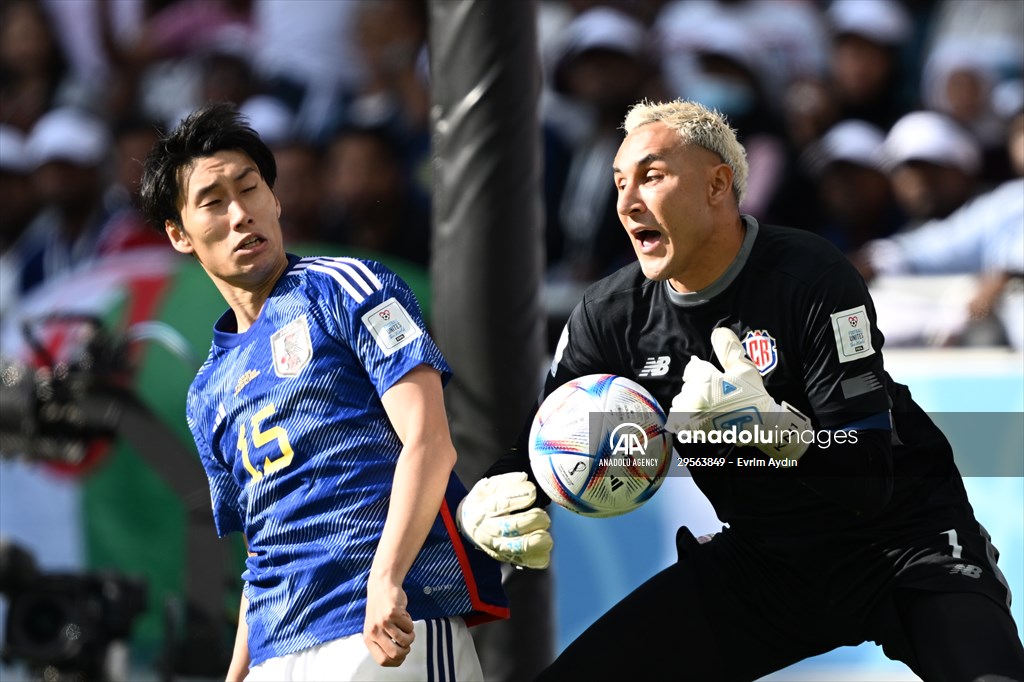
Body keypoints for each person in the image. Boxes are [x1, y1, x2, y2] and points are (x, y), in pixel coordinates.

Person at [456, 99, 1024, 681]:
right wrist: (495, 495)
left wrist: (782, 436)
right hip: (765, 563)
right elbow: (543, 440)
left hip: (904, 544)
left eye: (651, 177)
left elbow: (870, 481)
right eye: (620, 182)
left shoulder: (812, 274)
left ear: (717, 185)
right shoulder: (611, 313)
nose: (627, 203)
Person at [138, 102, 508, 681]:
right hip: (276, 652)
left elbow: (430, 442)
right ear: (179, 234)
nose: (240, 213)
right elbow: (261, 553)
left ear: (276, 199)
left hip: (382, 622)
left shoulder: (352, 287)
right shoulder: (206, 391)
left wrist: (386, 581)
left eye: (250, 188)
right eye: (213, 201)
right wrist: (237, 674)